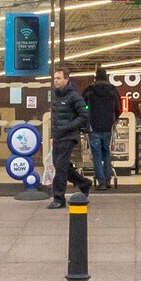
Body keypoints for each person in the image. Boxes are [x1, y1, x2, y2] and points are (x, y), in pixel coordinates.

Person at [47, 65, 94, 207]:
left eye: (59, 78)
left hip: (68, 136)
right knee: (61, 166)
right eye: (55, 78)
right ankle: (84, 183)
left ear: (66, 79)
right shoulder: (57, 96)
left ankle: (58, 199)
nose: (56, 81)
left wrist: (69, 127)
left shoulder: (74, 96)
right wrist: (53, 135)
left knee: (60, 167)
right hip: (58, 136)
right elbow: (56, 118)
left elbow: (84, 115)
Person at [84, 67, 122, 190]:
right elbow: (119, 108)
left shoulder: (89, 90)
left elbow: (82, 106)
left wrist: (87, 114)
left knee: (96, 154)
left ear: (95, 76)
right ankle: (107, 179)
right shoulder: (112, 90)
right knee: (106, 152)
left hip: (93, 126)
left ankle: (101, 181)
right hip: (108, 126)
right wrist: (114, 119)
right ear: (106, 76)